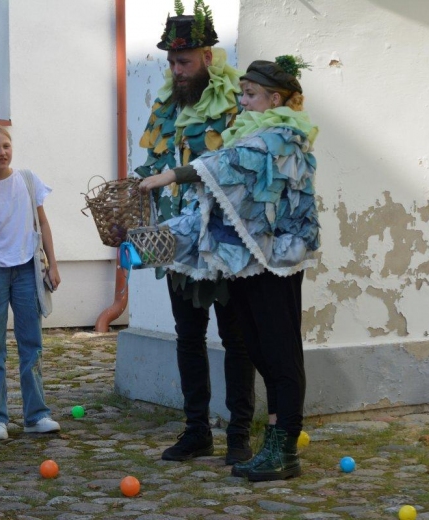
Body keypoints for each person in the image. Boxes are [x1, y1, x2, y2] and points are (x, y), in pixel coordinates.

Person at [140, 56, 319, 481]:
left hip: (278, 261)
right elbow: (224, 195)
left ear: (275, 98)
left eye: (251, 94)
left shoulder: (281, 137)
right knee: (258, 348)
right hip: (251, 262)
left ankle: (283, 446)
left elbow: (228, 164)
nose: (242, 101)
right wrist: (163, 234)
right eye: (242, 93)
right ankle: (276, 447)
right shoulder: (252, 131)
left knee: (279, 353)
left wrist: (172, 176)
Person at [134, 1, 256, 464]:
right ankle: (196, 430)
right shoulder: (167, 103)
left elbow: (238, 168)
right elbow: (152, 165)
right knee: (188, 336)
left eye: (183, 61)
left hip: (223, 241)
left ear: (208, 57)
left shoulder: (235, 107)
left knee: (236, 339)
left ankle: (239, 435)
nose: (175, 70)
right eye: (170, 61)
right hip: (177, 242)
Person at [0, 125, 61, 440]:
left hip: (27, 267)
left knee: (31, 344)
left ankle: (36, 415)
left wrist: (52, 264)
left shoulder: (27, 179)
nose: (2, 152)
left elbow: (44, 222)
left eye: (6, 146)